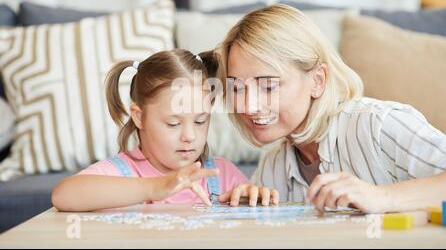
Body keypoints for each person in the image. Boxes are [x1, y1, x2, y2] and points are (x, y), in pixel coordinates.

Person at [214, 4, 446, 213]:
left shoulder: (377, 124)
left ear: (317, 80)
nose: (248, 106)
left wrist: (382, 197)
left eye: (268, 86)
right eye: (237, 88)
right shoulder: (272, 167)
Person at [52, 49, 279, 212]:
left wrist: (255, 198)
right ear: (140, 117)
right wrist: (154, 187)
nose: (189, 136)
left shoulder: (220, 175)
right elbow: (63, 195)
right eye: (173, 123)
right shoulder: (122, 172)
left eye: (200, 121)